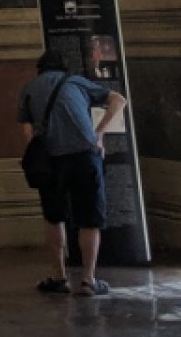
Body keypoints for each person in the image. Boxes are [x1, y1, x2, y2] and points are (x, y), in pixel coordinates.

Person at [17, 50, 126, 297]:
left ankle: (59, 278)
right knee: (90, 219)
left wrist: (34, 154)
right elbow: (119, 100)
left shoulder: (29, 88)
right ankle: (88, 280)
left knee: (54, 217)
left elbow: (27, 131)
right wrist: (99, 133)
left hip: (51, 159)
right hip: (84, 155)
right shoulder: (76, 82)